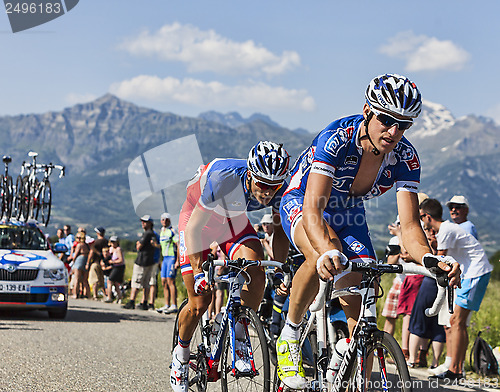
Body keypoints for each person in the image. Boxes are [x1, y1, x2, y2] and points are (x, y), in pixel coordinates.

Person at [275, 74, 461, 389]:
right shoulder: (336, 138)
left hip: (349, 212)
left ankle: (348, 360)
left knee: (362, 292)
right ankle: (289, 335)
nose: (393, 131)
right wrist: (329, 250)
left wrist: (429, 258)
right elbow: (312, 211)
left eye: (403, 125)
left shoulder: (405, 157)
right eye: (386, 120)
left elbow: (411, 225)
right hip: (305, 202)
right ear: (367, 110)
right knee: (324, 249)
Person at [170, 141, 291, 392]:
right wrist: (201, 272)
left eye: (274, 186)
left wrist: (280, 269)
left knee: (257, 272)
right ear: (250, 174)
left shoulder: (281, 186)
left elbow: (280, 233)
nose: (268, 192)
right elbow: (194, 229)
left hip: (231, 221)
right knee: (199, 303)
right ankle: (180, 356)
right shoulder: (224, 178)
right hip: (196, 220)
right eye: (262, 185)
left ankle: (239, 329)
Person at [420, 198, 492, 381]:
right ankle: (456, 369)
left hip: (475, 273)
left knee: (457, 321)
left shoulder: (444, 230)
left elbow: (437, 261)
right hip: (470, 274)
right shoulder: (446, 229)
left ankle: (455, 370)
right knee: (457, 322)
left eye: (421, 218)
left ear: (427, 217)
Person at [122, 215, 159, 310]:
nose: (143, 224)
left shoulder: (147, 234)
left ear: (150, 223)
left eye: (145, 222)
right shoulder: (153, 234)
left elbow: (139, 246)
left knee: (136, 281)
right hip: (149, 261)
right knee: (146, 282)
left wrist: (138, 244)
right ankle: (144, 302)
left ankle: (132, 301)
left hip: (142, 261)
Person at [156, 212, 180, 314]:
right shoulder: (162, 232)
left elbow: (178, 245)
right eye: (162, 219)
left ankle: (174, 305)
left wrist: (177, 260)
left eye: (166, 219)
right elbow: (161, 247)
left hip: (171, 258)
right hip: (165, 259)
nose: (164, 221)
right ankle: (167, 304)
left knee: (170, 281)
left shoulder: (172, 231)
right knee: (163, 281)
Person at [68, 232, 91, 299]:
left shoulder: (79, 245)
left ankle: (75, 294)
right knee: (85, 280)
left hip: (79, 260)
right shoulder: (87, 245)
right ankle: (88, 294)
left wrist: (73, 261)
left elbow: (75, 255)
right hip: (85, 260)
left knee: (77, 279)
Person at [88, 226, 107, 300]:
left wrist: (88, 262)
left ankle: (95, 295)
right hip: (103, 263)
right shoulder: (105, 241)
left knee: (95, 279)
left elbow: (91, 253)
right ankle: (105, 294)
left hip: (95, 262)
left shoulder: (96, 242)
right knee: (101, 280)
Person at [105, 236, 125, 303]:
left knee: (110, 280)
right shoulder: (111, 249)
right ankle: (119, 297)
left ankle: (109, 297)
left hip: (119, 267)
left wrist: (112, 262)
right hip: (114, 267)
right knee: (116, 283)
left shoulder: (118, 249)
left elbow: (120, 260)